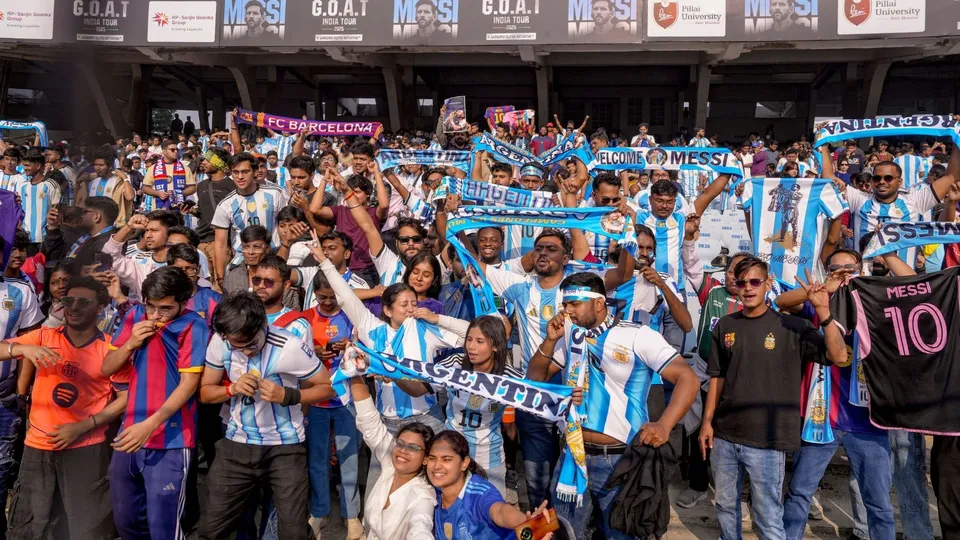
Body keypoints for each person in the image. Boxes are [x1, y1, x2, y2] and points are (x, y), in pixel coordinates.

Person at [527, 272, 699, 539]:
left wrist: (665, 425)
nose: (567, 311)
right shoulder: (569, 338)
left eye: (574, 303)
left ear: (598, 303)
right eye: (565, 304)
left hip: (621, 460)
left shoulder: (638, 335)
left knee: (623, 534)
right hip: (573, 455)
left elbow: (687, 378)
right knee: (566, 534)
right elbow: (535, 379)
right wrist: (550, 340)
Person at [700, 258, 847, 540]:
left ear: (768, 284)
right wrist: (707, 423)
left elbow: (839, 357)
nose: (748, 288)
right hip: (725, 437)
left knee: (768, 516)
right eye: (742, 283)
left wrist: (824, 312)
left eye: (755, 281)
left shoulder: (792, 326)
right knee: (725, 507)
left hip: (768, 441)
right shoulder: (725, 325)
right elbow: (716, 377)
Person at [776, 249, 896, 540]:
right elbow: (780, 302)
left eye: (850, 269)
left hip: (869, 422)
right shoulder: (818, 300)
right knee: (799, 494)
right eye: (835, 269)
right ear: (826, 272)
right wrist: (825, 290)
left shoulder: (876, 304)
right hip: (822, 420)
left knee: (879, 503)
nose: (843, 274)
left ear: (862, 271)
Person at [197, 292, 336, 540]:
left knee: (293, 532)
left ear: (264, 325)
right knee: (211, 529)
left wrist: (288, 395)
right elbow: (205, 393)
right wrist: (232, 388)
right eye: (237, 346)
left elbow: (328, 387)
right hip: (236, 446)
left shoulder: (290, 346)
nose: (246, 352)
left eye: (252, 344)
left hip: (285, 449)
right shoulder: (221, 341)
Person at [2, 276, 125, 540]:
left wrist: (84, 425)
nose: (74, 307)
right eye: (69, 300)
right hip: (38, 445)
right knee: (27, 525)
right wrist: (21, 348)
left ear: (101, 307)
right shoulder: (45, 336)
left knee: (86, 527)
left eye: (84, 301)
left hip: (85, 448)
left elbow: (125, 398)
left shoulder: (111, 348)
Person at [102, 266, 211, 540]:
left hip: (171, 440)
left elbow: (188, 385)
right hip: (129, 435)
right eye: (151, 306)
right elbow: (106, 368)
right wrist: (129, 344)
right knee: (126, 521)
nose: (155, 315)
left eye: (165, 309)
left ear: (183, 303)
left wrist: (149, 425)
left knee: (164, 528)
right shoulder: (135, 315)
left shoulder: (193, 325)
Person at [390, 314, 520, 496]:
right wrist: (393, 375)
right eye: (469, 339)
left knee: (491, 510)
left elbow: (540, 398)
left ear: (496, 346)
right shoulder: (455, 363)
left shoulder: (509, 377)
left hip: (489, 456)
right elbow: (419, 389)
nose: (471, 347)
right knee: (449, 505)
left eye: (480, 341)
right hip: (450, 453)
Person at [299, 271, 364, 539]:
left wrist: (350, 345)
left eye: (332, 297)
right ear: (314, 295)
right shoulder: (305, 319)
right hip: (316, 398)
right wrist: (314, 352)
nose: (326, 303)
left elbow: (364, 350)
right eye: (321, 298)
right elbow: (295, 353)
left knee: (349, 458)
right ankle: (320, 511)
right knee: (317, 460)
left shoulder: (351, 314)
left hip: (346, 397)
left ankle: (351, 517)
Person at [345, 371, 436, 540]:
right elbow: (369, 420)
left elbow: (421, 527)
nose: (403, 450)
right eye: (400, 443)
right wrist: (353, 372)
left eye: (414, 448)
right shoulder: (390, 465)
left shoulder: (423, 496)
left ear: (426, 459)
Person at [429, 430, 552, 539]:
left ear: (464, 463)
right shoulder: (432, 489)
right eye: (432, 458)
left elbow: (500, 511)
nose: (436, 466)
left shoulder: (480, 493)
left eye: (446, 459)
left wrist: (525, 521)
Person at [211, 152, 288, 283]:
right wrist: (220, 278)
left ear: (255, 172)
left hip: (274, 259)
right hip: (243, 263)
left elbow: (287, 227)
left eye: (245, 171)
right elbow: (220, 245)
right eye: (235, 172)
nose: (240, 176)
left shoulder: (275, 194)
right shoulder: (225, 205)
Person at [189, 148, 236, 273]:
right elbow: (202, 211)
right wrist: (192, 210)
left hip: (221, 242)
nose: (203, 162)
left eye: (208, 160)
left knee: (220, 284)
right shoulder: (201, 185)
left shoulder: (233, 186)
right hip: (201, 241)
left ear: (218, 162)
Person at [13, 148, 62, 253]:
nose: (24, 168)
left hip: (44, 239)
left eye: (27, 165)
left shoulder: (51, 185)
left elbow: (56, 210)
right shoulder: (22, 186)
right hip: (26, 238)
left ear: (38, 166)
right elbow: (20, 210)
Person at [142, 139, 197, 212]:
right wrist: (157, 193)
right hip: (159, 209)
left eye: (176, 149)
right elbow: (145, 188)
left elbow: (193, 188)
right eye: (172, 150)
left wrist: (178, 193)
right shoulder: (153, 168)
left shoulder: (185, 168)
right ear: (164, 152)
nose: (176, 152)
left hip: (179, 209)